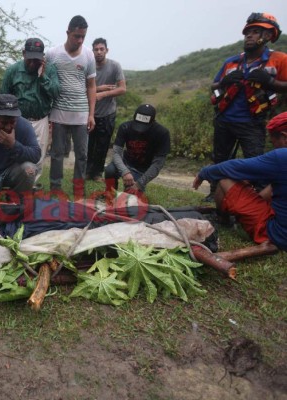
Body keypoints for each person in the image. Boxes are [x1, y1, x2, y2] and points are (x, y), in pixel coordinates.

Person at [204, 12, 287, 202]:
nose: (249, 35)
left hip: (253, 122)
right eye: (247, 32)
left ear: (268, 36)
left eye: (256, 32)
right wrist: (225, 81)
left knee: (255, 161)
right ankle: (215, 193)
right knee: (220, 157)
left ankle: (257, 199)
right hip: (224, 119)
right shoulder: (232, 62)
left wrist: (270, 82)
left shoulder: (279, 60)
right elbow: (214, 85)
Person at [193, 112, 287, 250]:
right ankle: (247, 211)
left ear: (284, 137)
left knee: (226, 179)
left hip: (278, 235)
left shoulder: (282, 156)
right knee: (276, 183)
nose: (274, 148)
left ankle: (223, 219)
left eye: (274, 143)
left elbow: (233, 167)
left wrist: (203, 173)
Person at [46, 15, 96, 191]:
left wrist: (91, 114)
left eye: (83, 36)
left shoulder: (89, 55)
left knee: (82, 154)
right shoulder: (53, 54)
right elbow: (45, 79)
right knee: (57, 153)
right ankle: (55, 187)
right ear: (68, 32)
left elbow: (91, 85)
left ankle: (78, 189)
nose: (80, 40)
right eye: (77, 36)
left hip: (81, 114)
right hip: (59, 112)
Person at [0, 38, 60, 182]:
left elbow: (56, 92)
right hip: (18, 120)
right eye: (30, 59)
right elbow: (2, 97)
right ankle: (12, 181)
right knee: (14, 151)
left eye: (37, 60)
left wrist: (43, 76)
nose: (33, 63)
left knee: (38, 156)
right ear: (23, 53)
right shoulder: (13, 71)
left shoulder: (50, 69)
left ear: (43, 58)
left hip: (40, 120)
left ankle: (32, 185)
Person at [104, 104, 170, 194]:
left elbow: (158, 164)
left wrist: (139, 183)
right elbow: (116, 153)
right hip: (126, 162)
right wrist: (125, 172)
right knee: (109, 170)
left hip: (143, 169)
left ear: (152, 121)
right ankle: (109, 194)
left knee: (131, 199)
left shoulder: (162, 133)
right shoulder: (125, 127)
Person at [87, 38, 126, 182]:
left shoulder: (115, 66)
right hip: (89, 113)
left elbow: (122, 89)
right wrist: (99, 89)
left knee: (103, 145)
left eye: (101, 49)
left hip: (108, 113)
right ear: (92, 51)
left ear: (106, 50)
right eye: (96, 49)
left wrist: (103, 94)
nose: (98, 52)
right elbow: (82, 89)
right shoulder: (88, 66)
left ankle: (97, 173)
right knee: (88, 145)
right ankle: (87, 172)